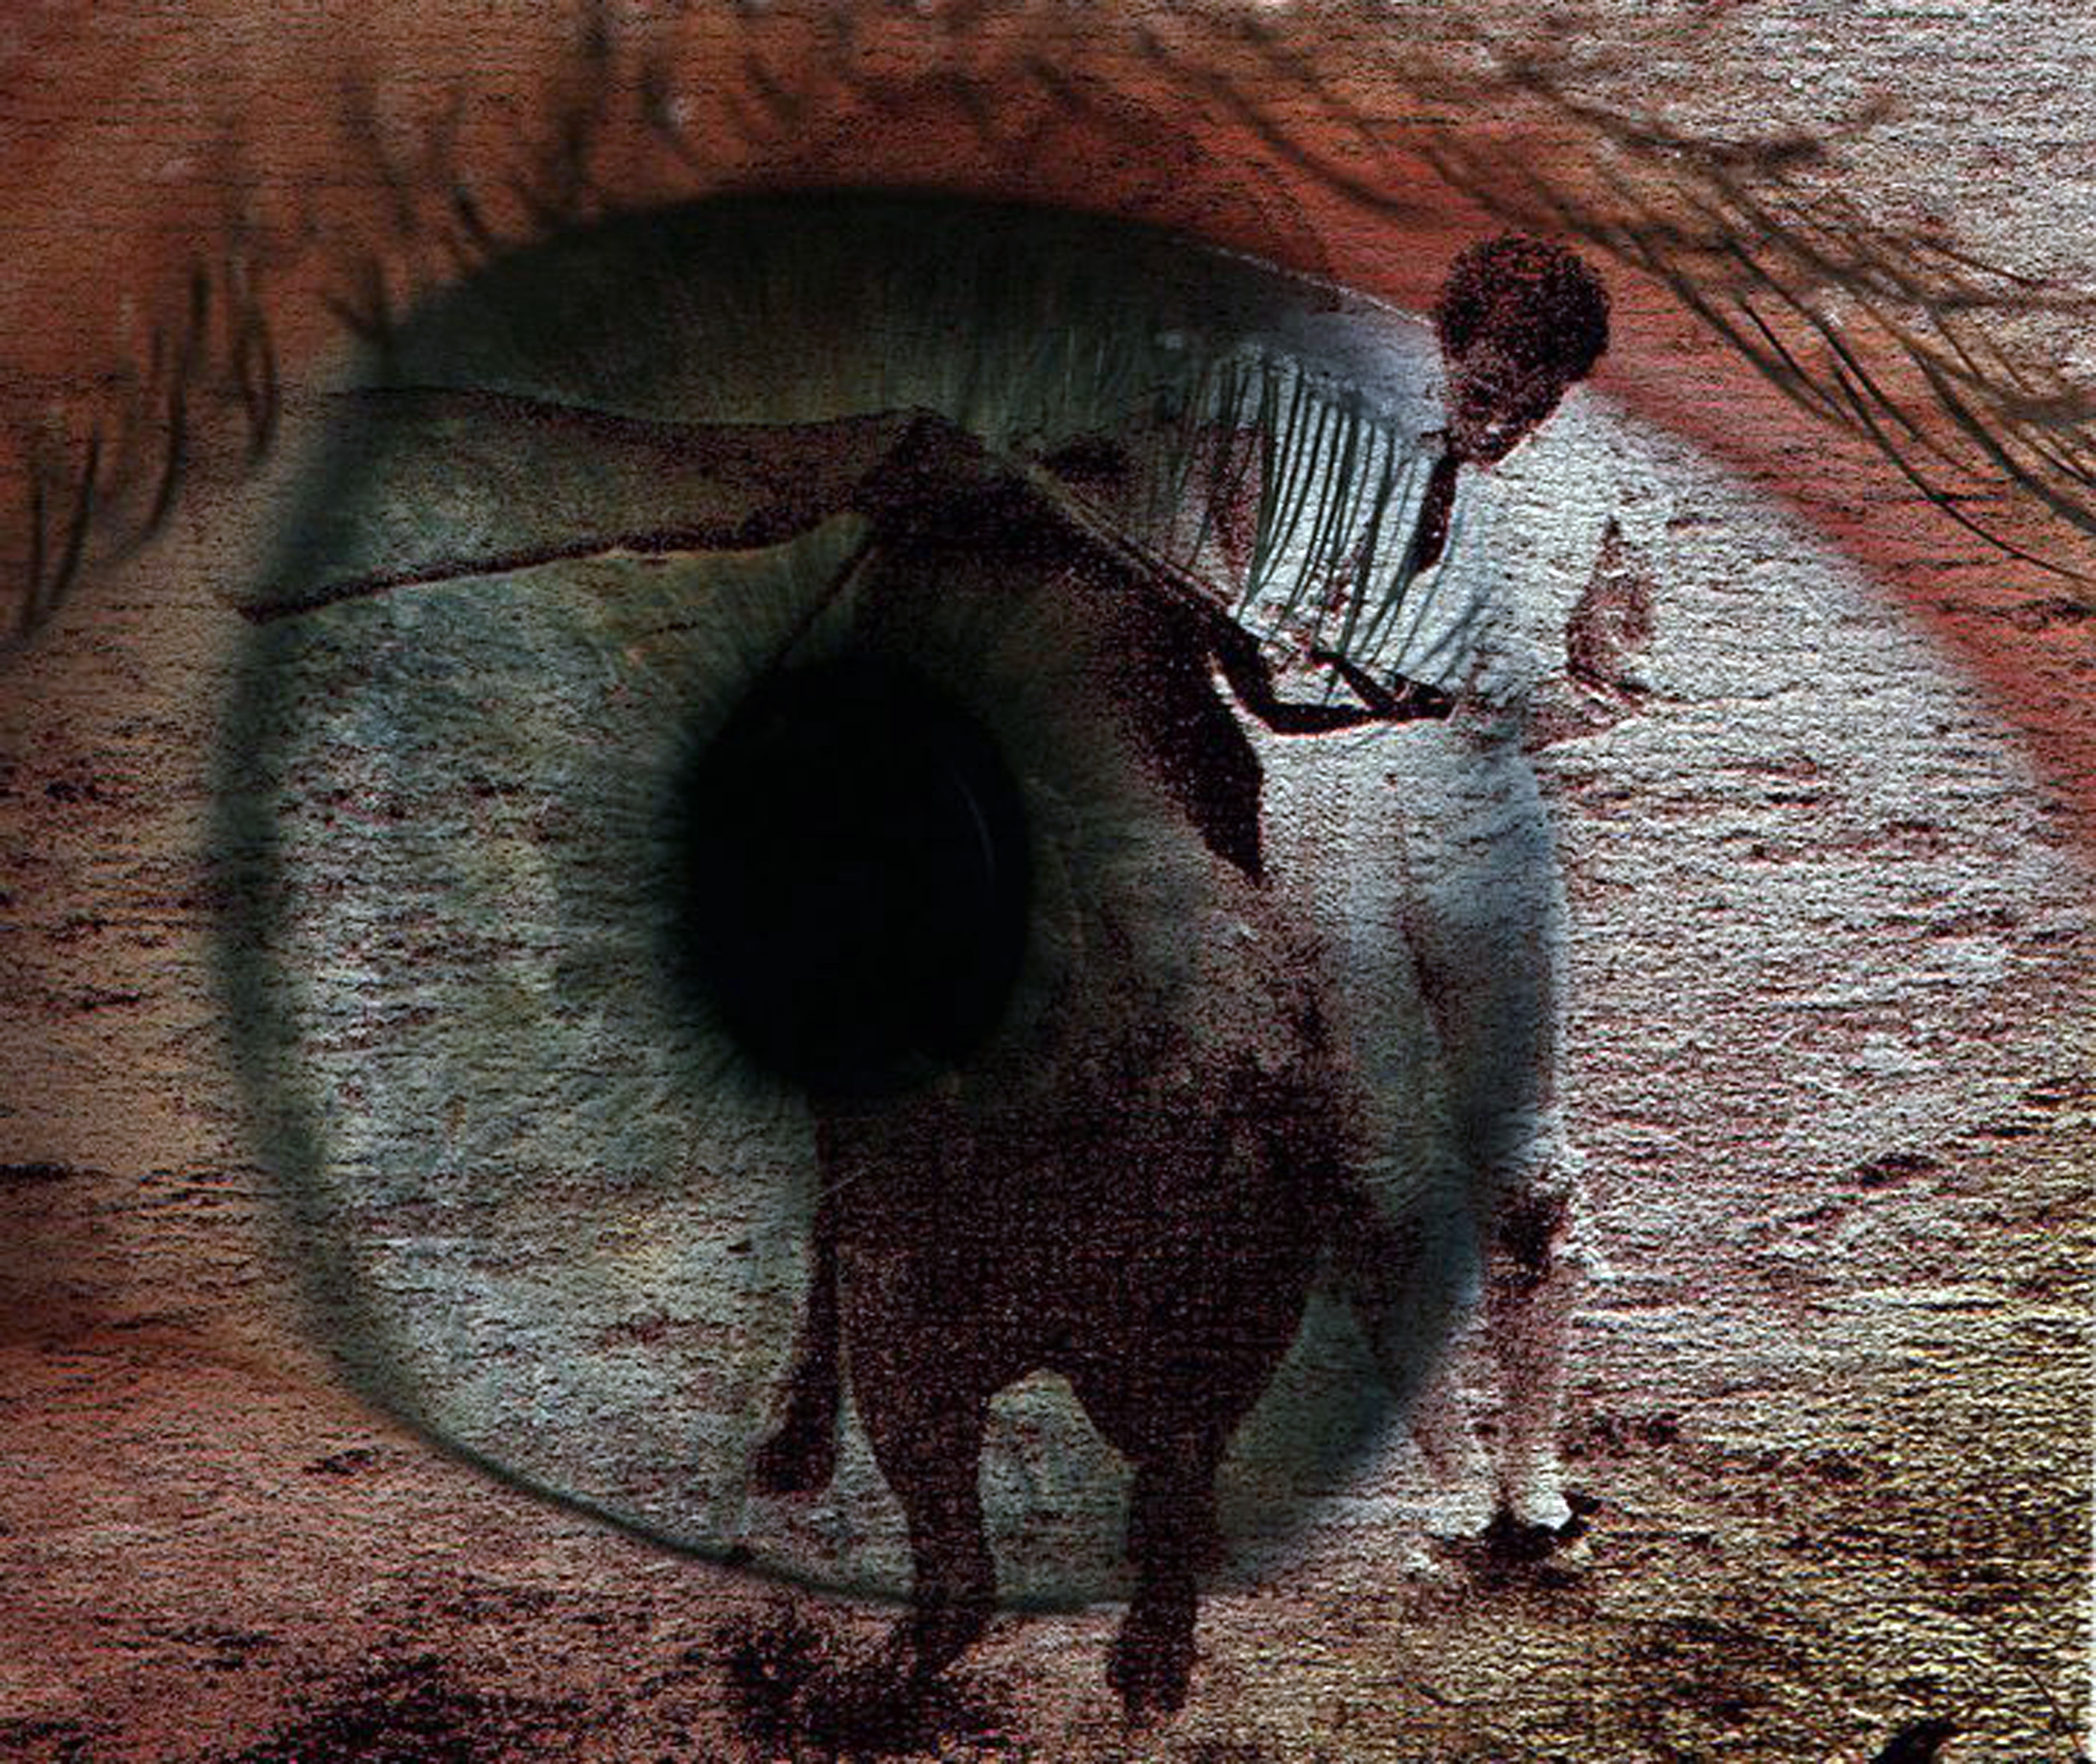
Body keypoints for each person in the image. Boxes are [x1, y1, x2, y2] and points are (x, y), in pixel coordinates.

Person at [1, 7, 2087, 1758]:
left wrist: (1506, 714)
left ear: (1562, 394)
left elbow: (1597, 673)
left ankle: (1512, 1467)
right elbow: (1141, 426)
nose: (1500, 408)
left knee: (1473, 1157)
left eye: (1529, 393)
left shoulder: (1564, 481)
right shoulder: (1286, 379)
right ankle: (1406, 1450)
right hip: (1271, 763)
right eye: (1483, 373)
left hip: (1421, 801)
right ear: (1441, 340)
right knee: (1276, 1107)